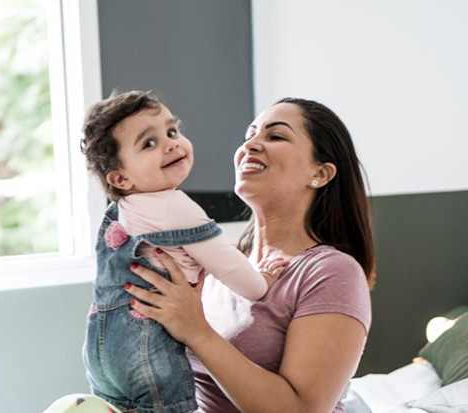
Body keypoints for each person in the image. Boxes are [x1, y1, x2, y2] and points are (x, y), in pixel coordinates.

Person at [125, 97, 375, 413]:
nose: (251, 145)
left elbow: (302, 410)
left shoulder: (331, 272)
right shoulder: (217, 266)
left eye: (276, 136)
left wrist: (196, 330)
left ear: (320, 173)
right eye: (249, 136)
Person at [76, 90, 287, 413]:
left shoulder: (121, 212)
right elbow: (241, 278)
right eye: (149, 143)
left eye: (172, 131)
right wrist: (265, 279)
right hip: (146, 346)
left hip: (101, 349)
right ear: (120, 177)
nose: (171, 143)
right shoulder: (175, 205)